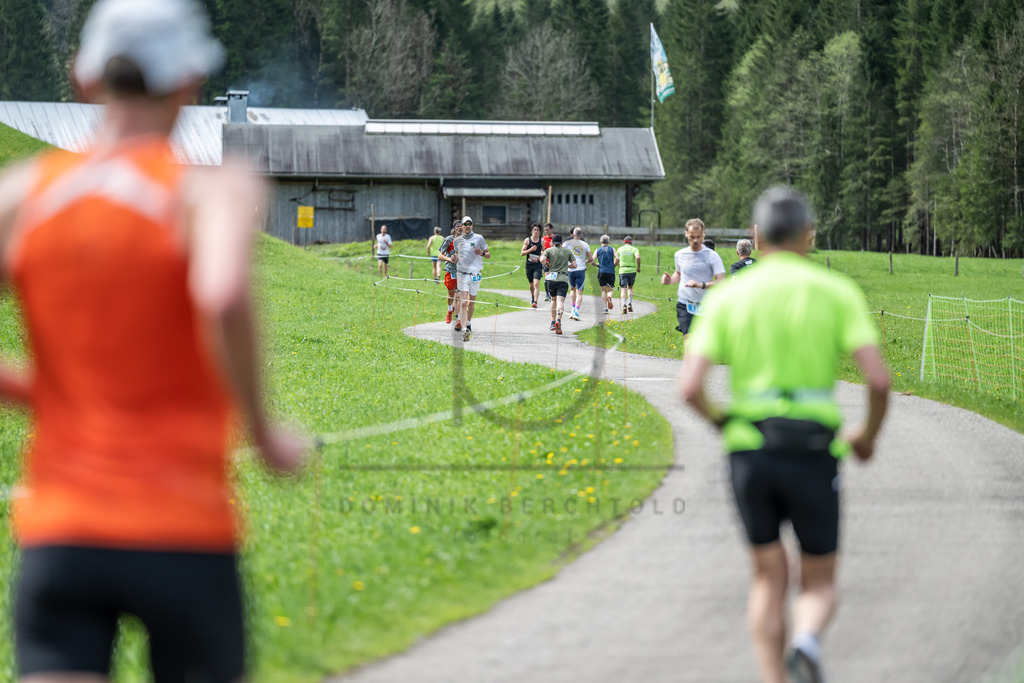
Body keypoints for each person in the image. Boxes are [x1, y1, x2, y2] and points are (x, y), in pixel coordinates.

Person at [0, 0, 308, 680]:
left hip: (62, 528)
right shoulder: (207, 191)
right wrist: (264, 433)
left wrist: (36, 388)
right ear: (189, 83)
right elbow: (222, 292)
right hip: (183, 525)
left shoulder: (23, 194)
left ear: (83, 79)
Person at [679, 186, 890, 683]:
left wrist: (725, 423)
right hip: (815, 450)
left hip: (750, 451)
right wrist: (866, 437)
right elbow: (878, 380)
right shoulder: (835, 291)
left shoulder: (731, 294)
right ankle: (807, 640)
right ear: (808, 236)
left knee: (768, 577)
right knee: (817, 581)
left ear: (756, 236)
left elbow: (689, 386)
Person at [661, 218, 726, 339]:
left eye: (698, 237)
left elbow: (721, 281)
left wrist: (700, 285)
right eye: (692, 237)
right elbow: (678, 275)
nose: (695, 240)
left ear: (703, 234)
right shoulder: (679, 255)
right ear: (686, 234)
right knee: (689, 341)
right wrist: (669, 280)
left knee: (704, 345)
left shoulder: (712, 256)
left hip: (706, 304)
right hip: (686, 303)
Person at [455, 215, 490, 341]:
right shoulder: (457, 240)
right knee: (464, 302)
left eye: (469, 224)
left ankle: (468, 322)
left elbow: (488, 255)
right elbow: (457, 255)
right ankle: (464, 329)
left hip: (475, 274)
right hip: (462, 274)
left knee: (471, 303)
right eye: (465, 224)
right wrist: (454, 258)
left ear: (472, 226)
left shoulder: (479, 238)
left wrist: (481, 253)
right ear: (462, 226)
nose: (467, 226)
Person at [540, 234, 576, 335]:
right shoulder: (567, 251)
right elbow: (574, 265)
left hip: (551, 278)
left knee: (553, 299)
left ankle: (552, 321)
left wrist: (547, 264)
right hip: (563, 278)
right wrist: (566, 265)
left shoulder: (549, 250)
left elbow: (542, 260)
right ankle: (559, 320)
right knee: (561, 300)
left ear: (553, 242)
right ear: (561, 242)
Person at [562, 227, 592, 321]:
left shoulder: (567, 243)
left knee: (572, 289)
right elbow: (591, 259)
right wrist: (584, 261)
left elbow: (561, 253)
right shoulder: (585, 244)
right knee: (579, 292)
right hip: (581, 270)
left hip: (570, 269)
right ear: (581, 235)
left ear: (573, 234)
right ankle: (576, 312)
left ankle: (572, 310)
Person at [438, 220, 463, 326]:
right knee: (451, 295)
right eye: (458, 226)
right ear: (454, 228)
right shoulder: (449, 239)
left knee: (458, 296)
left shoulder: (467, 240)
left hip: (462, 271)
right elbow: (440, 256)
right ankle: (449, 310)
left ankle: (458, 319)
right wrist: (449, 259)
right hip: (450, 270)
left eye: (462, 226)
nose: (460, 228)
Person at [614, 236, 641, 315]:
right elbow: (638, 257)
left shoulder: (619, 249)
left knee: (623, 289)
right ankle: (629, 303)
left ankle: (624, 305)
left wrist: (616, 265)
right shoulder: (634, 249)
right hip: (632, 270)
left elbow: (617, 259)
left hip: (622, 270)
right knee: (630, 287)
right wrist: (638, 267)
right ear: (631, 242)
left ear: (624, 242)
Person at [521, 222, 544, 308]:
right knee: (531, 284)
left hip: (537, 265)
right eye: (534, 230)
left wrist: (541, 257)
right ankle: (532, 296)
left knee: (536, 283)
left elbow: (543, 251)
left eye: (538, 230)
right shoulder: (527, 240)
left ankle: (535, 302)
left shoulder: (541, 241)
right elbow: (522, 253)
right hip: (529, 265)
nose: (536, 231)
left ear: (540, 232)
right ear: (531, 231)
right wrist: (530, 249)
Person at [592, 234, 616, 314]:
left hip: (601, 271)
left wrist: (597, 265)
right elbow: (618, 258)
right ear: (608, 242)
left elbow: (592, 261)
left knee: (603, 290)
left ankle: (605, 308)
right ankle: (609, 296)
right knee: (610, 289)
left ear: (600, 241)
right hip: (610, 271)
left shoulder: (597, 250)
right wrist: (614, 265)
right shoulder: (612, 249)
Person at [542, 223, 554, 301]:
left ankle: (553, 294)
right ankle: (547, 295)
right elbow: (541, 249)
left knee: (552, 279)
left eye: (547, 230)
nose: (546, 231)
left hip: (554, 262)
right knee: (547, 278)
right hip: (546, 262)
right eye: (545, 230)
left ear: (551, 229)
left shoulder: (555, 238)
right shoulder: (543, 239)